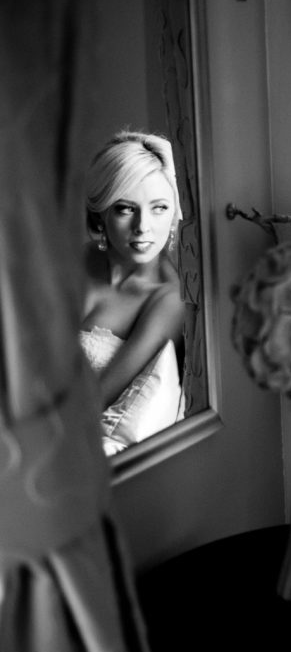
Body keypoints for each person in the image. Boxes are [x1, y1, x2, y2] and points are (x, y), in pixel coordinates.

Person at [81, 131, 185, 453]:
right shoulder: (76, 260)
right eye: (126, 209)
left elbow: (94, 400)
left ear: (173, 214)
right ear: (101, 213)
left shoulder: (167, 300)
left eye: (159, 208)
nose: (143, 226)